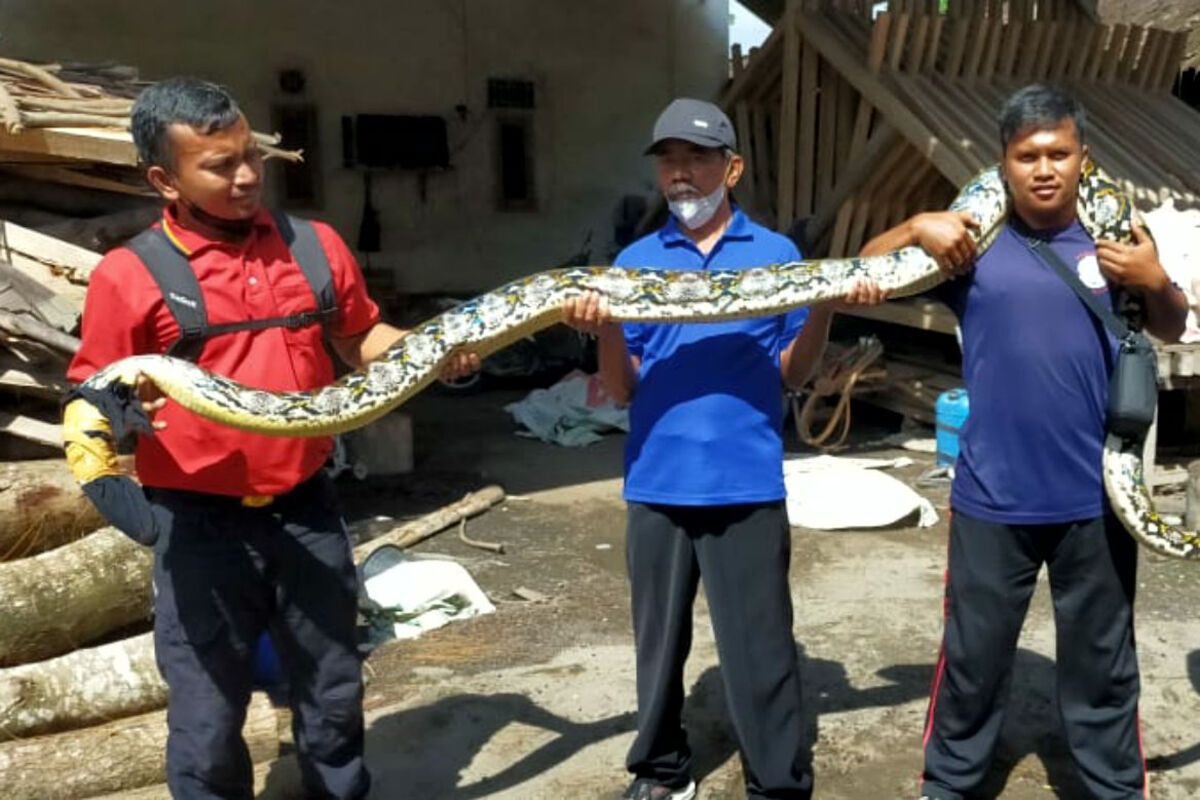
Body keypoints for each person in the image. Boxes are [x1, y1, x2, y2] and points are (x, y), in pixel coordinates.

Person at [65, 77, 477, 800]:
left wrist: (431, 348)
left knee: (332, 694)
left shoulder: (313, 247)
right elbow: (94, 398)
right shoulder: (128, 278)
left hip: (305, 510)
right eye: (220, 166)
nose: (248, 175)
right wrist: (132, 501)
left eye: (249, 154)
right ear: (164, 179)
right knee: (208, 718)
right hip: (197, 524)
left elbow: (361, 339)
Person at [858, 84, 1187, 800]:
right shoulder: (971, 247)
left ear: (1082, 158)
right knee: (972, 662)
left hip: (1097, 499)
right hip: (991, 497)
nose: (1044, 168)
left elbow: (1167, 325)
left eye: (1058, 153)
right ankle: (949, 786)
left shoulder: (1118, 243)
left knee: (1103, 666)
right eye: (1027, 155)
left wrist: (1157, 280)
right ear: (1003, 165)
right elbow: (866, 276)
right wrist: (916, 226)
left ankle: (1113, 789)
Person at [563, 97, 883, 800]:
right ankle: (660, 769)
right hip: (657, 484)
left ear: (731, 167)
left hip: (746, 484)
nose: (680, 174)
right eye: (668, 161)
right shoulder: (636, 262)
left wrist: (825, 299)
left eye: (697, 158)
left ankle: (777, 780)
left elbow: (793, 374)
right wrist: (607, 325)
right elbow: (620, 389)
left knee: (761, 648)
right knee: (658, 646)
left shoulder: (777, 256)